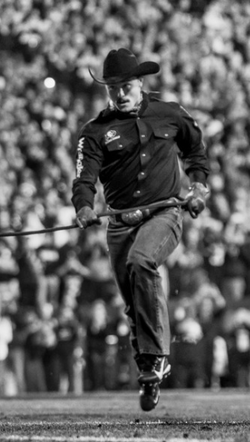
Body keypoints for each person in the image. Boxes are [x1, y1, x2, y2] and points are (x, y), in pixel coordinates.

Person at [71, 48, 211, 412]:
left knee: (142, 262)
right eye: (113, 88)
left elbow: (196, 153)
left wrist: (198, 188)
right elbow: (83, 180)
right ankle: (148, 369)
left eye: (126, 86)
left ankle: (158, 355)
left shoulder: (171, 113)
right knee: (134, 303)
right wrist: (84, 207)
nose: (120, 94)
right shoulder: (95, 132)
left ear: (141, 84)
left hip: (164, 214)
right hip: (119, 223)